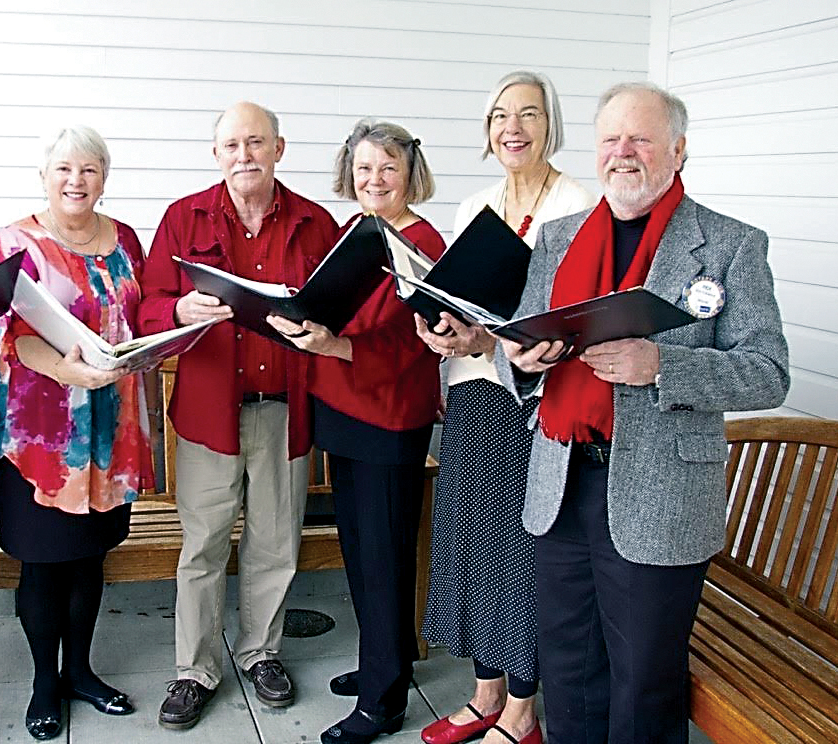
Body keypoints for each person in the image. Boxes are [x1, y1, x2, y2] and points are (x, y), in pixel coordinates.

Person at [497, 81, 789, 744]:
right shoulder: (559, 237)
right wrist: (524, 359)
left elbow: (768, 373)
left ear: (677, 149)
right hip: (561, 481)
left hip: (660, 496)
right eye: (610, 139)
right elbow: (512, 340)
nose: (622, 152)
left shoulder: (729, 245)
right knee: (568, 667)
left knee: (644, 680)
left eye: (641, 138)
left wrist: (661, 366)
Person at [139, 101, 339, 730]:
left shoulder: (315, 222)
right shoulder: (182, 218)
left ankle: (261, 653)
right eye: (231, 145)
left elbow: (342, 307)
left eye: (256, 143)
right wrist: (176, 313)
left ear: (279, 149)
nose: (244, 155)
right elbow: (145, 307)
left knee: (275, 543)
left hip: (286, 411)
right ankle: (194, 670)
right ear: (216, 154)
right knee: (201, 547)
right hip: (208, 415)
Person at [415, 70, 595, 744]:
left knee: (519, 551)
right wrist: (436, 327)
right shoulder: (475, 205)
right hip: (469, 392)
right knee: (472, 544)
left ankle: (523, 712)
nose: (512, 127)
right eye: (498, 116)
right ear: (487, 133)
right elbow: (461, 300)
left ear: (552, 125)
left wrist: (492, 335)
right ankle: (486, 693)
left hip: (531, 401)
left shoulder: (577, 204)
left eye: (528, 114)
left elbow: (571, 319)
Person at [268, 118, 443, 744]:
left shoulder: (423, 241)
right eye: (365, 168)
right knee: (361, 554)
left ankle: (384, 701)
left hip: (389, 412)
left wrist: (334, 343)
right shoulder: (354, 231)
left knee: (385, 556)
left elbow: (411, 345)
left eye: (388, 168)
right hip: (343, 410)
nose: (375, 179)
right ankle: (381, 666)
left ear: (409, 174)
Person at [0, 125, 153, 740]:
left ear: (104, 178)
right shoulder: (14, 241)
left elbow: (142, 313)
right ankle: (43, 683)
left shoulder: (127, 239)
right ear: (44, 176)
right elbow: (9, 332)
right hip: (41, 438)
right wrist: (67, 369)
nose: (76, 180)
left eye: (88, 169)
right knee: (43, 564)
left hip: (110, 430)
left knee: (90, 559)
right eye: (63, 169)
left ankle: (80, 671)